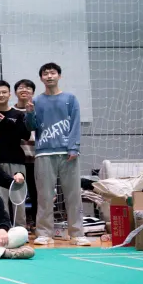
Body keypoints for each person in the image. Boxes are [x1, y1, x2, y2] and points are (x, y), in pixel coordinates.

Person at [26, 62, 89, 247]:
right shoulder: (36, 101)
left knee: (73, 195)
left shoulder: (70, 99)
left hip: (68, 153)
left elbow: (75, 123)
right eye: (45, 74)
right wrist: (29, 113)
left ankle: (77, 234)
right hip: (43, 153)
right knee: (44, 196)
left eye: (52, 73)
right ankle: (44, 233)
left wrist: (74, 147)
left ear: (59, 76)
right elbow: (31, 127)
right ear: (41, 78)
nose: (49, 76)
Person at [0, 79, 29, 184]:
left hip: (15, 161)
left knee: (17, 192)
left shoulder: (18, 114)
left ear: (9, 95)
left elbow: (26, 135)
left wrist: (7, 122)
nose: (1, 95)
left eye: (4, 92)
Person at [14, 78, 39, 224]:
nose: (24, 90)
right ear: (15, 92)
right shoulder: (11, 111)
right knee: (18, 192)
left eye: (28, 88)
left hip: (36, 158)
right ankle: (18, 223)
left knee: (36, 192)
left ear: (33, 92)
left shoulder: (38, 110)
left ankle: (36, 222)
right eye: (21, 88)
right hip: (17, 159)